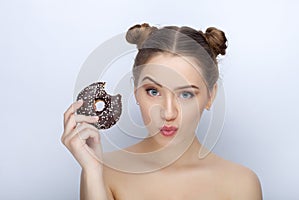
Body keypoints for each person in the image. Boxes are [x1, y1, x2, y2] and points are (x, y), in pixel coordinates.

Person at [61, 23, 263, 200]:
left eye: (185, 95)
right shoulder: (104, 171)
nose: (168, 113)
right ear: (136, 91)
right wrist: (93, 171)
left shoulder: (242, 183)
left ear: (210, 96)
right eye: (153, 91)